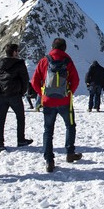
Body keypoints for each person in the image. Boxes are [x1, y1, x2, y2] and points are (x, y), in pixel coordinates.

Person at [31, 38, 81, 172]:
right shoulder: (67, 60)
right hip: (65, 101)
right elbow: (76, 79)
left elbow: (34, 81)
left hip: (48, 101)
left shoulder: (44, 61)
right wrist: (69, 92)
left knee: (48, 130)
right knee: (70, 126)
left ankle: (49, 160)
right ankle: (70, 153)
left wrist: (42, 94)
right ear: (64, 48)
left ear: (52, 47)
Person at [0, 44, 33, 152]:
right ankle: (20, 140)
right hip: (14, 95)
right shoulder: (19, 64)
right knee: (20, 117)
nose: (18, 52)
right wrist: (21, 92)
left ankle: (0, 143)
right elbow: (25, 79)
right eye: (17, 51)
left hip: (1, 95)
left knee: (1, 120)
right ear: (13, 52)